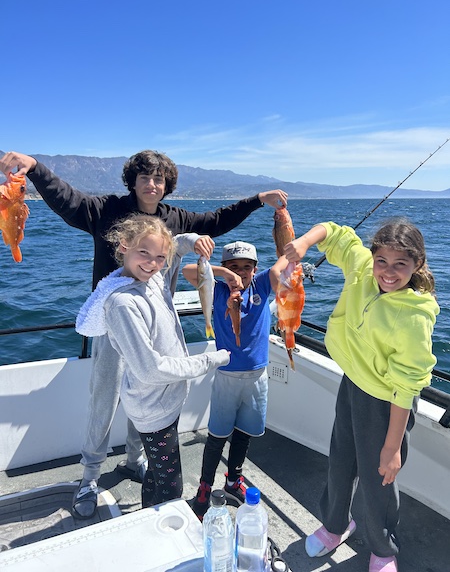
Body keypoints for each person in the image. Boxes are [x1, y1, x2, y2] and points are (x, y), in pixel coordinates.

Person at [0, 150, 287, 518]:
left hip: (154, 327)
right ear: (132, 182)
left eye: (159, 179)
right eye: (145, 177)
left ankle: (135, 459)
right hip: (115, 328)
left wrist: (259, 200)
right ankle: (89, 478)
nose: (152, 184)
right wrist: (36, 169)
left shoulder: (175, 217)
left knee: (148, 396)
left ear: (167, 185)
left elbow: (216, 220)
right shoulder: (106, 210)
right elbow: (67, 199)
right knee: (104, 401)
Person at [283, 219, 439, 572]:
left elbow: (407, 385)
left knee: (378, 478)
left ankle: (383, 549)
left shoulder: (415, 316)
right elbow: (336, 233)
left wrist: (392, 446)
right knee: (340, 463)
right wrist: (303, 243)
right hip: (352, 384)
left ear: (417, 264)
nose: (388, 272)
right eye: (382, 260)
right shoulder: (362, 268)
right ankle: (334, 526)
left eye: (401, 264)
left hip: (387, 402)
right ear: (373, 258)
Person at [75, 214, 230, 511]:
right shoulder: (122, 303)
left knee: (157, 478)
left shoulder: (153, 277)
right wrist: (211, 360)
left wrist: (195, 240)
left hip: (166, 400)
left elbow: (177, 246)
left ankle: (147, 513)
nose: (152, 263)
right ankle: (155, 528)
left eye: (160, 257)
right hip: (153, 409)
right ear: (124, 245)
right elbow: (150, 369)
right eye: (143, 252)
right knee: (171, 488)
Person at [182, 240, 289, 520]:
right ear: (223, 268)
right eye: (233, 267)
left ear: (255, 269)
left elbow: (281, 266)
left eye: (246, 267)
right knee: (217, 436)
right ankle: (205, 487)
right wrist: (224, 275)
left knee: (244, 433)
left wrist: (291, 244)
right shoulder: (217, 289)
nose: (240, 272)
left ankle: (233, 480)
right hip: (227, 375)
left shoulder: (261, 285)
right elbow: (188, 271)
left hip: (257, 375)